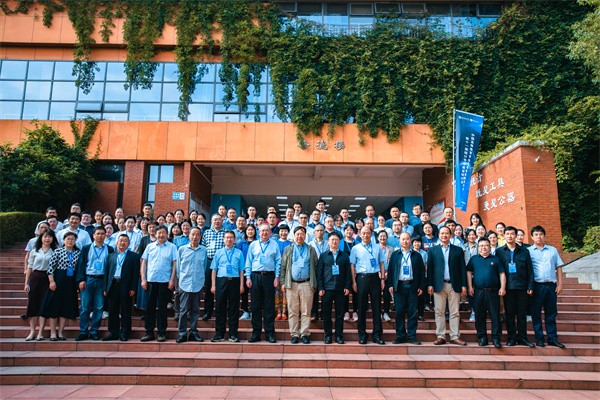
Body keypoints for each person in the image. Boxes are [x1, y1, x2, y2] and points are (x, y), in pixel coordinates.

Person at [427, 226, 467, 346]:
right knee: (439, 311)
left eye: (446, 233)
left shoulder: (458, 250)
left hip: (454, 284)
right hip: (438, 285)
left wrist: (464, 285)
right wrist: (430, 284)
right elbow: (430, 269)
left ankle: (455, 336)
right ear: (438, 235)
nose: (444, 235)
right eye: (442, 233)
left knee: (455, 312)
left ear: (450, 235)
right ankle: (441, 336)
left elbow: (462, 268)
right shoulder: (433, 250)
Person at [497, 226, 535, 347]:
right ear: (504, 235)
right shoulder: (499, 251)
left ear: (515, 235)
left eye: (512, 234)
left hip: (522, 287)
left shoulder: (524, 251)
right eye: (507, 234)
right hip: (507, 287)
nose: (510, 236)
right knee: (509, 314)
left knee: (522, 314)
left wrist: (530, 285)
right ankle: (511, 338)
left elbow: (530, 270)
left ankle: (523, 338)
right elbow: (498, 271)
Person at [528, 225, 565, 348]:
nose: (539, 237)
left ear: (544, 236)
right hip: (537, 286)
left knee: (551, 313)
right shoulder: (528, 251)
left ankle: (552, 338)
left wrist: (560, 284)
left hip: (551, 286)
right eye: (536, 235)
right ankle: (539, 338)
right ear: (532, 237)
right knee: (536, 313)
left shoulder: (552, 250)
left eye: (541, 234)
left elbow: (558, 267)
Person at [280, 226, 319, 344]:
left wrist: (314, 283)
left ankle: (305, 333)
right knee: (293, 310)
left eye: (302, 234)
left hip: (307, 283)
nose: (299, 236)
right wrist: (283, 282)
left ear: (305, 236)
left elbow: (315, 266)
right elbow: (283, 266)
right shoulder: (288, 249)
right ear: (294, 235)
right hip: (291, 284)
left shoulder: (311, 249)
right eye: (297, 234)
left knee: (306, 310)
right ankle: (294, 334)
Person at [39, 231, 80, 341]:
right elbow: (50, 268)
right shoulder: (58, 251)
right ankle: (53, 332)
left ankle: (61, 332)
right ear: (64, 240)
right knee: (54, 306)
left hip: (70, 282)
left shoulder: (77, 253)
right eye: (68, 239)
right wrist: (52, 281)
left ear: (75, 241)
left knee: (65, 308)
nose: (70, 241)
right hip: (58, 280)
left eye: (72, 239)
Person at [75, 226, 114, 341]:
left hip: (102, 280)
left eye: (102, 234)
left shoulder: (110, 249)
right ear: (93, 235)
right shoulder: (86, 248)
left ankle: (94, 331)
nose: (100, 236)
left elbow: (110, 267)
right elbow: (81, 264)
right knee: (85, 307)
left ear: (105, 235)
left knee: (99, 307)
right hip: (88, 278)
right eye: (98, 233)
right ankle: (83, 331)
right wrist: (81, 280)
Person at [467, 237, 506, 348]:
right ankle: (482, 337)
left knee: (495, 315)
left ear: (490, 247)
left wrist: (502, 287)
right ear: (478, 247)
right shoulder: (474, 259)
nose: (483, 248)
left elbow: (502, 274)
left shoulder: (496, 259)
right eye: (481, 246)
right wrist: (470, 286)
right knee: (479, 315)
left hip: (493, 292)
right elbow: (469, 272)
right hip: (478, 292)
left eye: (486, 245)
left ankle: (496, 338)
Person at [140, 226, 178, 342]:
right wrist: (143, 279)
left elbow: (174, 264)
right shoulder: (150, 246)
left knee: (162, 308)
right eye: (159, 233)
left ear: (167, 234)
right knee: (149, 307)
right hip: (151, 281)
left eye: (163, 233)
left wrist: (172, 280)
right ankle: (149, 332)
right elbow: (144, 263)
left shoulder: (172, 247)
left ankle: (161, 332)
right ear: (155, 234)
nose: (161, 235)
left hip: (165, 282)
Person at [387, 232, 426, 345]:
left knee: (412, 312)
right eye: (403, 239)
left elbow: (422, 272)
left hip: (413, 286)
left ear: (410, 241)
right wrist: (390, 284)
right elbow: (391, 271)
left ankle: (412, 336)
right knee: (399, 312)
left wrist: (421, 286)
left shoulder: (416, 255)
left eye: (407, 239)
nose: (405, 241)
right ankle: (400, 336)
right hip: (399, 286)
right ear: (399, 241)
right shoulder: (395, 255)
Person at [244, 224, 281, 343]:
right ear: (259, 232)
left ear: (270, 232)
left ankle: (270, 333)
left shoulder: (274, 245)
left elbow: (278, 262)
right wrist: (248, 277)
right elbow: (248, 261)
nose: (264, 233)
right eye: (262, 230)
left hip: (270, 277)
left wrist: (277, 277)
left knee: (269, 306)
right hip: (255, 276)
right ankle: (256, 333)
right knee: (255, 306)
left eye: (267, 230)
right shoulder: (253, 245)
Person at [350, 226, 386, 345]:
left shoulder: (377, 247)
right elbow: (352, 265)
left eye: (368, 233)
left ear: (371, 234)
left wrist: (382, 279)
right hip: (361, 278)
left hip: (375, 278)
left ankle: (377, 335)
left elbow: (382, 263)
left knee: (377, 307)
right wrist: (354, 281)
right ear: (360, 234)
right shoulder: (355, 248)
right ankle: (362, 335)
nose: (366, 235)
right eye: (363, 233)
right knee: (361, 307)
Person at [102, 234, 141, 341]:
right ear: (116, 242)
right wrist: (105, 287)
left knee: (126, 310)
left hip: (126, 286)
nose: (122, 243)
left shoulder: (134, 256)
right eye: (120, 241)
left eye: (125, 241)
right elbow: (106, 273)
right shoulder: (110, 256)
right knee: (112, 310)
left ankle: (125, 332)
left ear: (129, 243)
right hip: (112, 285)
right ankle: (113, 332)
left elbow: (135, 274)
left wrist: (133, 288)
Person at [317, 231, 351, 344]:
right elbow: (319, 273)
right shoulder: (323, 256)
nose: (334, 242)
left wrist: (347, 286)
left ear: (339, 242)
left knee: (339, 314)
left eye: (336, 240)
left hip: (340, 289)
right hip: (327, 289)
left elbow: (348, 273)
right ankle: (328, 335)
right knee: (326, 314)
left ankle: (339, 335)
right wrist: (321, 287)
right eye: (332, 240)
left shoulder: (344, 256)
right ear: (328, 241)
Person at [211, 230, 244, 342]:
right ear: (223, 239)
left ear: (234, 240)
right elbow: (214, 269)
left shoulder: (239, 253)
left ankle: (233, 334)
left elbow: (241, 270)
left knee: (234, 308)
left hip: (234, 281)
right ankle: (219, 334)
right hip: (221, 281)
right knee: (220, 307)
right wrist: (213, 285)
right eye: (227, 237)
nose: (229, 239)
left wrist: (241, 285)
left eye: (231, 237)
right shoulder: (218, 253)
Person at [175, 227, 207, 343]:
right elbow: (178, 268)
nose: (195, 237)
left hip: (198, 283)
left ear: (200, 237)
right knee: (183, 310)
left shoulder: (204, 250)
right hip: (185, 283)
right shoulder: (182, 249)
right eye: (193, 234)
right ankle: (182, 333)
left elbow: (204, 267)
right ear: (189, 235)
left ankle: (193, 332)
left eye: (197, 234)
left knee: (195, 310)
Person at [24, 230, 57, 340]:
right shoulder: (34, 251)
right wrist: (26, 283)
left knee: (44, 305)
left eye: (50, 237)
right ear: (41, 238)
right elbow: (30, 267)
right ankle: (32, 331)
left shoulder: (55, 251)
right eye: (45, 236)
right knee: (33, 305)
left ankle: (40, 332)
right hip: (35, 278)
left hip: (48, 278)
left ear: (53, 239)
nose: (47, 239)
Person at [201, 214, 226, 321]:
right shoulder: (207, 233)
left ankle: (221, 312)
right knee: (208, 288)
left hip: (222, 264)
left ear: (222, 221)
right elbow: (203, 247)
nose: (217, 222)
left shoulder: (226, 233)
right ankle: (208, 311)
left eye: (219, 220)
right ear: (211, 221)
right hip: (209, 261)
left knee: (221, 288)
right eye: (215, 220)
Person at [237, 224, 256, 321]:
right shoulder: (241, 243)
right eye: (248, 230)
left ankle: (253, 310)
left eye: (252, 230)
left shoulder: (258, 243)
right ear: (245, 232)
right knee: (244, 292)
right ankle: (245, 310)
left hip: (255, 270)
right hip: (243, 270)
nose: (250, 232)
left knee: (255, 292)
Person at [275, 225, 291, 321]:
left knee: (285, 291)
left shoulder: (291, 244)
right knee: (277, 292)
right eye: (281, 231)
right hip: (276, 271)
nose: (283, 233)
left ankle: (285, 311)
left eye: (285, 231)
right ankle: (278, 311)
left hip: (287, 271)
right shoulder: (274, 243)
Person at [378, 230, 394, 322]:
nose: (382, 238)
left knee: (387, 295)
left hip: (388, 274)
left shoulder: (391, 249)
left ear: (387, 238)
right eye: (381, 236)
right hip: (377, 274)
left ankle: (386, 312)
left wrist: (387, 273)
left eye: (384, 236)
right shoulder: (375, 248)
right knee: (377, 295)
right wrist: (379, 273)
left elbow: (392, 263)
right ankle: (379, 312)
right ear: (378, 238)